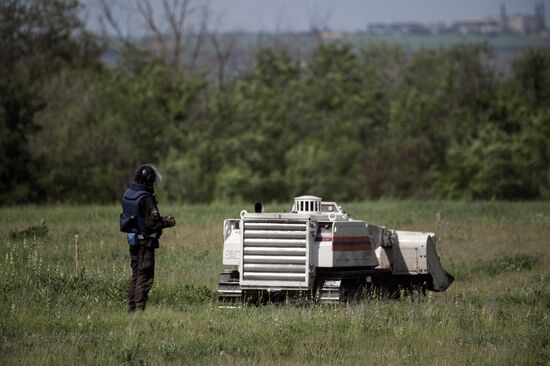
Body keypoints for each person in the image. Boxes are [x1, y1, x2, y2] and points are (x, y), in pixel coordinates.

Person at [120, 164, 176, 312]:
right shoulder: (146, 198)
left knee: (136, 274)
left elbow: (139, 218)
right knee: (144, 276)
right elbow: (152, 223)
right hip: (146, 242)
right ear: (149, 180)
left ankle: (131, 307)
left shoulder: (128, 194)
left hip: (133, 240)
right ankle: (139, 309)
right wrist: (167, 222)